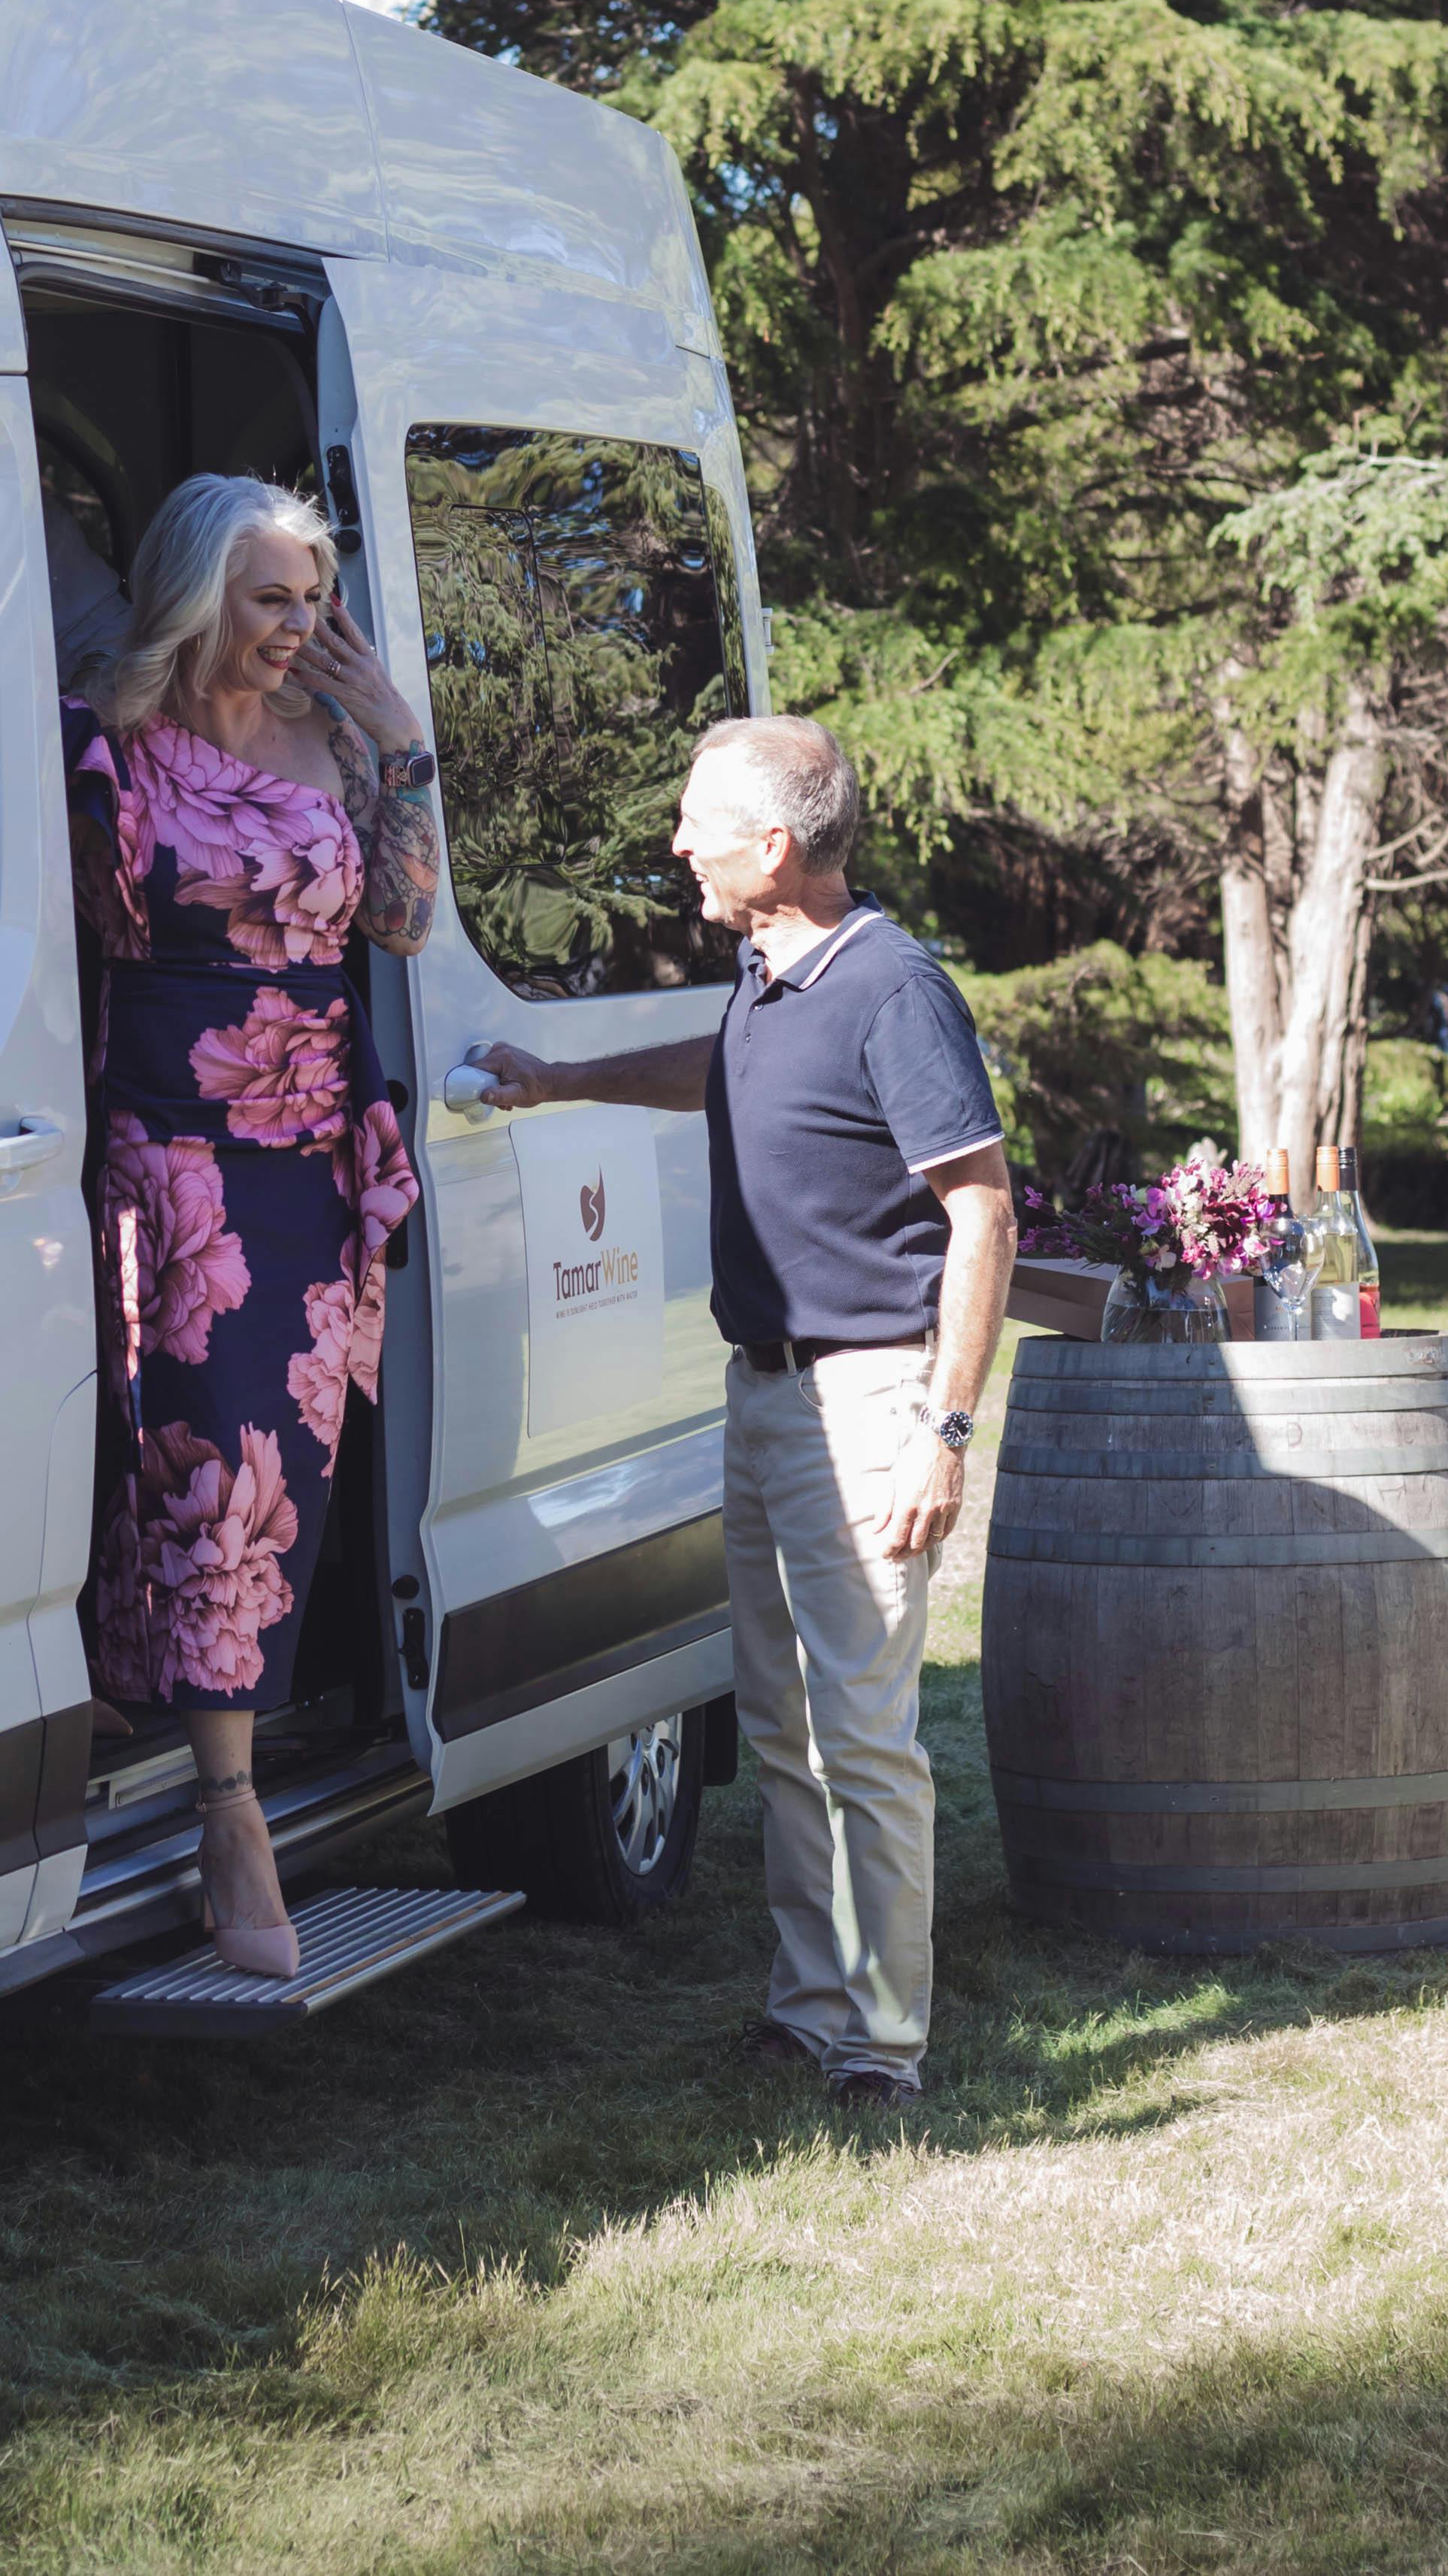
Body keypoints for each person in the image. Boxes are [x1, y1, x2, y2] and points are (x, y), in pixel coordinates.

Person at [474, 715, 1015, 2105]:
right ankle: (808, 2006)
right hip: (764, 1395)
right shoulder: (769, 980)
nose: (676, 844)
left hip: (870, 1401)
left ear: (773, 846)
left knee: (865, 1738)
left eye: (696, 821)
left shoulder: (894, 990)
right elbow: (718, 1080)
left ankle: (883, 2050)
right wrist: (565, 1082)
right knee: (781, 1723)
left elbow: (983, 1211)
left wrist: (946, 1433)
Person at [62, 473, 441, 1977]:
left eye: (310, 598)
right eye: (268, 596)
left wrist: (400, 746)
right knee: (204, 1474)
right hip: (172, 1150)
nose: (294, 628)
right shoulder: (111, 741)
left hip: (309, 1160)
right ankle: (229, 1809)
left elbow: (401, 924)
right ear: (195, 590)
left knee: (272, 1472)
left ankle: (206, 1762)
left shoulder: (340, 740)